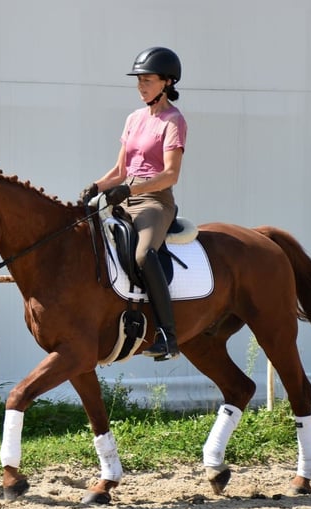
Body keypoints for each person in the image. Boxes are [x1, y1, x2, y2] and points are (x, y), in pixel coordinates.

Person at [81, 46, 187, 361]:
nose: (141, 86)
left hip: (154, 201)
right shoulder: (134, 118)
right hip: (123, 196)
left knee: (143, 253)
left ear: (167, 82)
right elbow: (119, 172)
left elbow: (170, 175)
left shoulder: (173, 121)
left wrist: (131, 190)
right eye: (139, 81)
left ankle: (167, 335)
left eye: (148, 80)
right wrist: (96, 187)